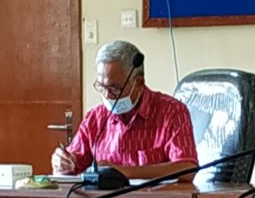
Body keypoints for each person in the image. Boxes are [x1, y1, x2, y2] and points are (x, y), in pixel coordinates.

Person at [51, 40, 198, 180]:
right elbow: (73, 163)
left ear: (139, 83)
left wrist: (122, 172)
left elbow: (187, 169)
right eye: (102, 87)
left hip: (154, 197)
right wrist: (62, 163)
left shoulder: (172, 112)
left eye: (115, 89)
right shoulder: (95, 118)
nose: (107, 95)